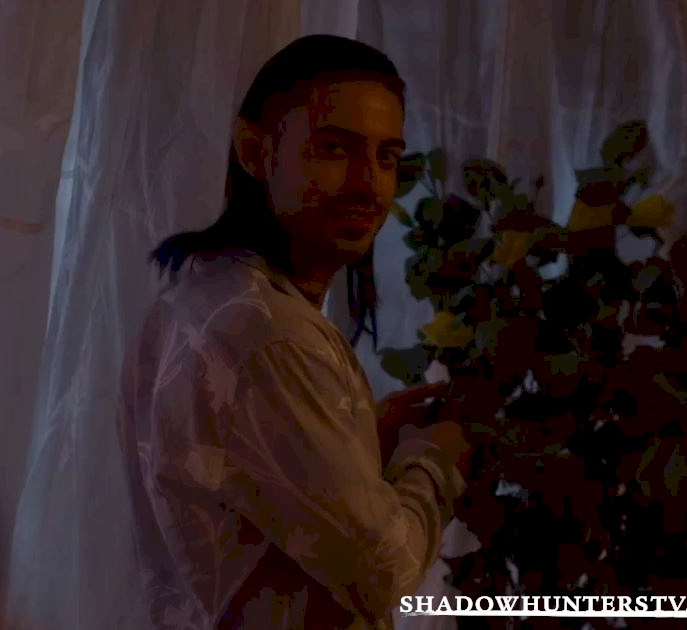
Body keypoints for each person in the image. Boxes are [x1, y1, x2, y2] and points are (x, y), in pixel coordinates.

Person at [117, 35, 470, 629]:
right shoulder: (271, 335)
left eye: (388, 157)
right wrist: (436, 460)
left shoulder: (194, 296)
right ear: (255, 151)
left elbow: (246, 507)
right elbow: (383, 572)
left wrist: (362, 443)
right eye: (334, 149)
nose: (369, 184)